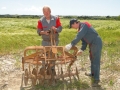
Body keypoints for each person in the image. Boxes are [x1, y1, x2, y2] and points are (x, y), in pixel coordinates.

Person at [65, 18, 102, 87]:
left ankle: (96, 79)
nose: (73, 28)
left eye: (72, 26)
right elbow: (84, 42)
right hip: (92, 44)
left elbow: (80, 35)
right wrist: (82, 49)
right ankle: (93, 73)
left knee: (96, 60)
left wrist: (71, 44)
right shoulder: (80, 29)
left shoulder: (84, 25)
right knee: (92, 59)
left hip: (96, 42)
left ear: (75, 23)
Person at [37, 6, 62, 77]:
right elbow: (38, 31)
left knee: (53, 54)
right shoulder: (40, 20)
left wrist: (55, 29)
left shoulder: (56, 18)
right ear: (43, 12)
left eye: (47, 11)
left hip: (55, 40)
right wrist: (44, 32)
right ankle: (43, 68)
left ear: (50, 11)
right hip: (45, 41)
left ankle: (52, 69)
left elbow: (60, 28)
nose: (46, 13)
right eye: (44, 12)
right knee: (44, 55)